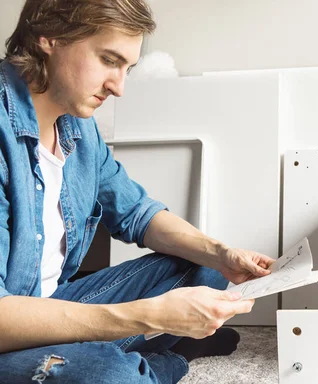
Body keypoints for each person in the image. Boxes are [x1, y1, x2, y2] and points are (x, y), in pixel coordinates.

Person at [0, 0, 275, 382]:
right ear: (48, 36)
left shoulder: (77, 127)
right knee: (110, 374)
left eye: (127, 68)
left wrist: (221, 253)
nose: (119, 87)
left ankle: (134, 351)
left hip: (53, 307)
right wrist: (150, 316)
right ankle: (167, 359)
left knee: (203, 268)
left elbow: (136, 213)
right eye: (108, 60)